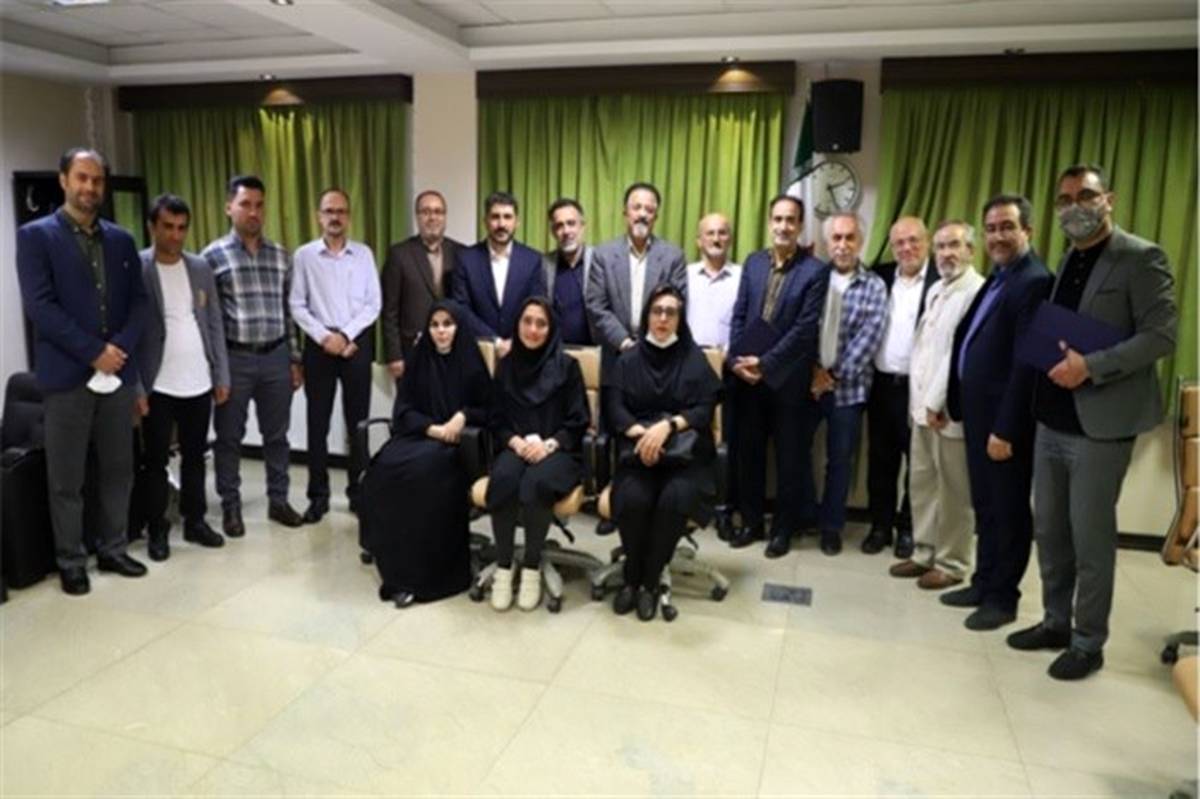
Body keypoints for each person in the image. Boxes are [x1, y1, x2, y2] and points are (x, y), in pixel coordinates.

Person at [1008, 164, 1177, 680]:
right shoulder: (1067, 258)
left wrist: (1092, 366)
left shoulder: (1140, 257)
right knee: (1050, 531)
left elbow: (1161, 335)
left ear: (1109, 200)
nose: (1074, 207)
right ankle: (1055, 622)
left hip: (1101, 426)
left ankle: (1088, 641)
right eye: (1064, 200)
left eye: (1085, 195)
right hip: (1052, 418)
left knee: (1090, 539)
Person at [16, 147, 148, 594]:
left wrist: (118, 350)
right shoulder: (36, 237)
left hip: (118, 375)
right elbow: (41, 307)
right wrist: (94, 352)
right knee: (66, 477)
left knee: (118, 469)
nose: (90, 187)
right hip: (67, 377)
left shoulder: (121, 240)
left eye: (97, 180)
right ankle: (71, 560)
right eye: (82, 178)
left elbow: (138, 304)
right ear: (64, 180)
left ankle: (113, 548)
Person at [942, 194, 1052, 631]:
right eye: (991, 228)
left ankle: (1003, 598)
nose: (998, 236)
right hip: (979, 415)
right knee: (985, 505)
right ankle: (984, 581)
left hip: (1005, 423)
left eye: (1007, 226)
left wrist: (1007, 428)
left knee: (1008, 511)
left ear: (1028, 230)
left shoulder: (1035, 281)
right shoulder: (1001, 277)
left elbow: (1028, 364)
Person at [359, 301, 491, 608]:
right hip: (421, 435)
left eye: (448, 324)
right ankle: (391, 560)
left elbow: (489, 409)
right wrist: (431, 428)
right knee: (382, 468)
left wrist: (462, 416)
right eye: (435, 325)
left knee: (420, 476)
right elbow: (403, 411)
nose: (441, 331)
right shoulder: (419, 359)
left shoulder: (471, 360)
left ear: (458, 327)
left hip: (455, 446)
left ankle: (420, 577)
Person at [607, 284, 722, 621]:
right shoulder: (628, 360)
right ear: (647, 316)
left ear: (679, 319)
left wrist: (668, 426)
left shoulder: (693, 359)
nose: (662, 319)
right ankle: (632, 575)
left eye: (671, 313)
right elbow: (614, 408)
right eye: (657, 311)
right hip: (638, 455)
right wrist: (643, 436)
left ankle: (648, 583)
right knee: (633, 499)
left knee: (674, 499)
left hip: (683, 459)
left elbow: (705, 407)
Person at [728, 195, 827, 557]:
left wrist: (766, 363)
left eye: (791, 220)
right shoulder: (754, 262)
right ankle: (752, 523)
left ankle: (783, 530)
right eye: (778, 219)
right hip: (747, 380)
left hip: (788, 382)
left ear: (800, 226)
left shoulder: (815, 271)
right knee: (750, 455)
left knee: (789, 460)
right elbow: (739, 314)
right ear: (770, 222)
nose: (783, 226)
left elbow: (804, 329)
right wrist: (736, 359)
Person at [889, 220, 984, 589]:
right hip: (922, 410)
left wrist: (935, 402)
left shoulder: (976, 292)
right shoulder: (936, 290)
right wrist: (920, 404)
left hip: (947, 413)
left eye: (954, 245)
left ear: (970, 250)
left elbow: (958, 356)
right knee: (923, 484)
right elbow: (924, 351)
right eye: (942, 247)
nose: (947, 253)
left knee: (954, 491)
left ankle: (952, 562)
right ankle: (924, 552)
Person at [134, 193, 229, 561]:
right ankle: (157, 528)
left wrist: (220, 373)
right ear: (152, 227)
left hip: (198, 379)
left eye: (181, 228)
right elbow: (128, 331)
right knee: (156, 460)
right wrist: (136, 387)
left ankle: (196, 520)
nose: (175, 235)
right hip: (158, 383)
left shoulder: (200, 267)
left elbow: (214, 322)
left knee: (195, 456)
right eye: (168, 227)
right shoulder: (138, 267)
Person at [485, 297, 589, 612]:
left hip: (559, 450)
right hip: (517, 446)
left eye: (541, 323)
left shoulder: (567, 367)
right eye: (527, 321)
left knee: (536, 482)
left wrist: (548, 445)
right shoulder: (506, 366)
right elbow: (496, 420)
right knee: (503, 478)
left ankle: (530, 568)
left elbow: (578, 421)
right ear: (517, 325)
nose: (533, 329)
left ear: (551, 328)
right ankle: (504, 567)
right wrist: (517, 443)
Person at [289, 187, 381, 523]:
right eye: (329, 211)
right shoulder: (304, 256)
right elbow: (297, 304)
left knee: (358, 425)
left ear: (349, 217)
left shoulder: (364, 254)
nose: (335, 217)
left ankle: (359, 493)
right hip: (319, 346)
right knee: (317, 424)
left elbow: (373, 303)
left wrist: (346, 335)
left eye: (341, 211)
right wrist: (325, 337)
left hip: (355, 345)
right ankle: (318, 497)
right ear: (319, 216)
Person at [803, 212, 889, 556]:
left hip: (848, 390)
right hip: (807, 385)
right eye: (836, 238)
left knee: (839, 461)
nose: (842, 245)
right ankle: (805, 516)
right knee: (795, 449)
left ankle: (831, 527)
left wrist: (832, 377)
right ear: (827, 243)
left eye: (849, 237)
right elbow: (800, 327)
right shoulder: (813, 278)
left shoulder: (874, 285)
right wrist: (812, 371)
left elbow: (869, 338)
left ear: (860, 241)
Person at [863, 216, 939, 558]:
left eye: (913, 240)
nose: (906, 248)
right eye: (899, 243)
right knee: (880, 460)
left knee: (918, 464)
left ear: (927, 242)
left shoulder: (941, 280)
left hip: (920, 388)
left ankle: (908, 528)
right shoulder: (879, 276)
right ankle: (880, 526)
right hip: (881, 384)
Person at [585, 182, 687, 389]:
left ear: (656, 217)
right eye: (636, 207)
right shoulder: (603, 255)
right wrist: (624, 342)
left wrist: (648, 344)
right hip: (615, 356)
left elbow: (677, 304)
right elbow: (596, 305)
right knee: (614, 409)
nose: (642, 214)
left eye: (649, 210)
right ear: (625, 213)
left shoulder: (673, 256)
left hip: (659, 358)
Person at [380, 190, 463, 382]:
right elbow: (389, 310)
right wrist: (394, 355)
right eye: (425, 212)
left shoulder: (461, 253)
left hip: (452, 350)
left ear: (445, 217)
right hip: (412, 351)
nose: (432, 217)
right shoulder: (399, 255)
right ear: (417, 216)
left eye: (438, 212)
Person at [451, 191, 545, 354]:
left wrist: (516, 341)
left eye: (507, 217)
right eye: (495, 217)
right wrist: (495, 341)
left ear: (517, 222)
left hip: (522, 351)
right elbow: (461, 308)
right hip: (478, 350)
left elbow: (537, 307)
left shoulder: (533, 260)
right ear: (485, 221)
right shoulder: (465, 259)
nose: (501, 224)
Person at [686, 213, 742, 350]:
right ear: (699, 241)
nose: (716, 239)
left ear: (730, 240)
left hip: (729, 359)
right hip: (688, 358)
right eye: (710, 233)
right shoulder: (685, 275)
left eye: (722, 233)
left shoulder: (743, 276)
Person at [542, 198, 594, 345]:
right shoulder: (543, 265)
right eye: (559, 226)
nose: (566, 231)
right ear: (553, 232)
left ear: (582, 226)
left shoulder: (600, 261)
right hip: (556, 350)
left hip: (594, 350)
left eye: (571, 223)